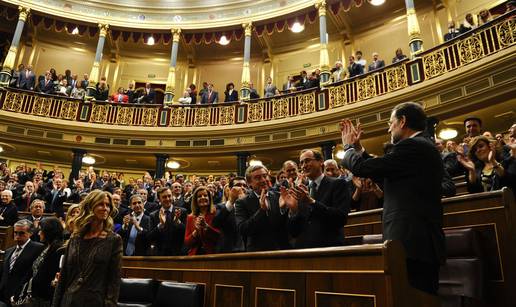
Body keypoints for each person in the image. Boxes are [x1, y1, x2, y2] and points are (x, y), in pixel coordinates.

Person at [340, 102, 445, 295]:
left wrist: (347, 148)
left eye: (391, 122)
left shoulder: (413, 146)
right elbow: (381, 170)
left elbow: (364, 169)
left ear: (402, 121)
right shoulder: (419, 146)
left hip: (413, 243)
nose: (389, 128)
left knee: (414, 298)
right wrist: (358, 149)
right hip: (413, 242)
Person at [52, 190, 122, 307]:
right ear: (90, 207)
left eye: (108, 205)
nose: (105, 208)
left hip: (95, 302)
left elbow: (114, 280)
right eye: (101, 204)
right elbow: (63, 276)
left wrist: (110, 304)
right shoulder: (75, 238)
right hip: (69, 301)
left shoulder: (114, 240)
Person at [286, 150, 351, 248]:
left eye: (307, 161)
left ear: (320, 161)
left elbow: (340, 218)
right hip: (304, 251)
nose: (304, 166)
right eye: (302, 163)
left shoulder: (338, 184)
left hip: (329, 248)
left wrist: (312, 202)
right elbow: (294, 232)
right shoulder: (301, 190)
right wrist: (293, 211)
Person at [235, 165, 289, 252]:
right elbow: (243, 229)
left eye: (265, 176)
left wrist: (287, 209)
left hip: (282, 251)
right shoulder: (242, 202)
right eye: (258, 178)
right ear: (249, 183)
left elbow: (289, 227)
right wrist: (262, 211)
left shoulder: (279, 196)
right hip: (257, 254)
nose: (263, 180)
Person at [13, 217, 64, 307]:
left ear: (49, 232)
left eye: (41, 230)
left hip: (45, 298)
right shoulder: (45, 247)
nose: (39, 233)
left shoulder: (58, 250)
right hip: (36, 295)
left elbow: (48, 276)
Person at [0, 219, 44, 305]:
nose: (17, 236)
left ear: (30, 233)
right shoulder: (9, 251)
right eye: (15, 233)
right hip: (3, 294)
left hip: (20, 295)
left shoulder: (38, 248)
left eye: (21, 233)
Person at [147, 187, 187, 256]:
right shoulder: (153, 215)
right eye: (164, 197)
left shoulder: (182, 211)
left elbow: (186, 233)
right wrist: (160, 225)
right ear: (159, 199)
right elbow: (150, 237)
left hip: (179, 254)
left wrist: (178, 222)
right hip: (160, 255)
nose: (167, 199)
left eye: (169, 196)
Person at [184, 186, 221, 255]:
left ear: (209, 198)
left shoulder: (217, 213)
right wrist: (196, 231)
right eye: (199, 196)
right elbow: (187, 242)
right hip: (195, 256)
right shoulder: (190, 217)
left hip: (213, 254)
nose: (203, 197)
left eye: (205, 195)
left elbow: (220, 237)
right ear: (195, 200)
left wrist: (206, 227)